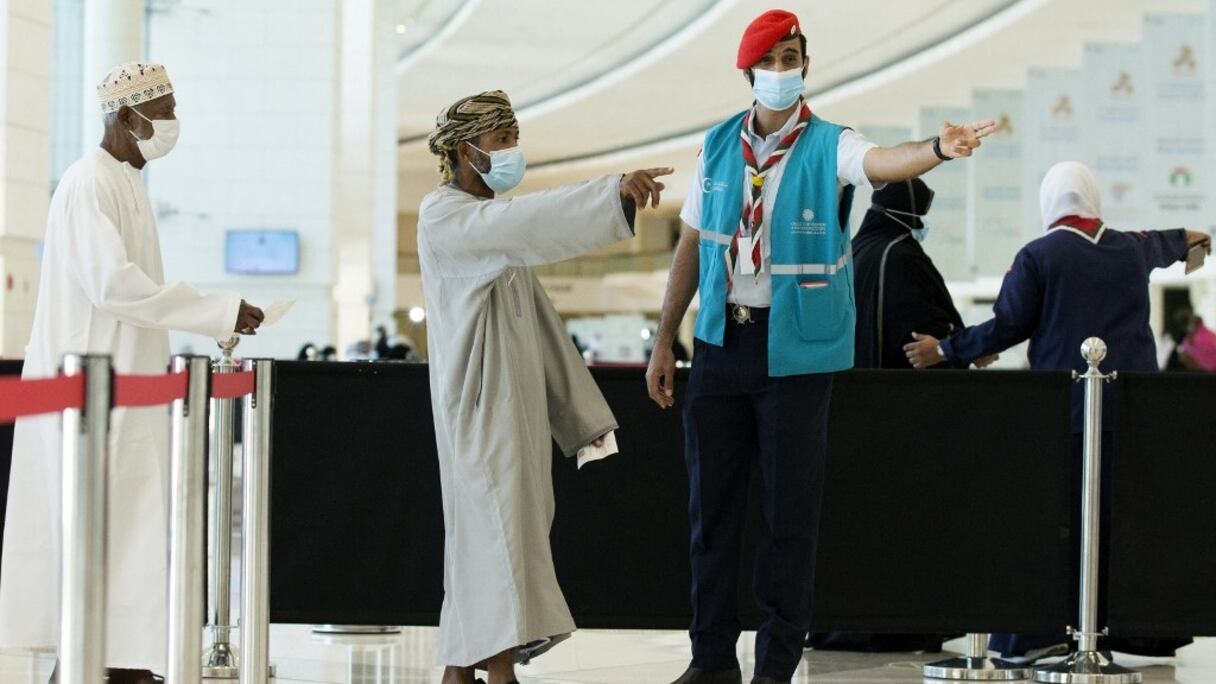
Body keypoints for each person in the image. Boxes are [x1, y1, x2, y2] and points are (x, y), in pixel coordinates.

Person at [643, 10, 996, 684]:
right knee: (709, 516)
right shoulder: (718, 145)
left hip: (797, 354)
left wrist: (938, 149)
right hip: (720, 345)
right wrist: (665, 338)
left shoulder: (830, 142)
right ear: (749, 70)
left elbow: (880, 162)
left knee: (788, 520)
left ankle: (775, 666)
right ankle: (710, 660)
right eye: (772, 59)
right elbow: (692, 242)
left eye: (794, 56)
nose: (784, 71)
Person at [0, 63, 265, 684]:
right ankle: (100, 667)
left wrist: (215, 314)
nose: (172, 124)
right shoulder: (88, 182)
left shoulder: (124, 183)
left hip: (131, 394)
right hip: (95, 400)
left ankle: (128, 663)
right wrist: (218, 310)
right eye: (164, 111)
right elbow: (114, 287)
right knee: (102, 540)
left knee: (134, 537)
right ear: (127, 117)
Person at [904, 160, 1211, 661]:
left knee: (1053, 525)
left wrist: (948, 350)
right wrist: (1193, 243)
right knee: (1115, 524)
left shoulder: (1039, 256)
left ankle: (1035, 635)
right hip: (1131, 413)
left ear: (1050, 203)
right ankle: (1110, 632)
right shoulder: (1132, 246)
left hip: (1065, 416)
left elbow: (1008, 325)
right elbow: (1184, 238)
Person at [420, 89, 672, 684]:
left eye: (513, 139)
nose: (513, 152)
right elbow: (525, 220)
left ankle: (459, 670)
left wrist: (579, 416)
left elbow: (544, 330)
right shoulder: (446, 215)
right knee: (496, 537)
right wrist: (608, 194)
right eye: (501, 141)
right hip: (480, 411)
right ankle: (499, 670)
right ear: (465, 150)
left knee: (494, 535)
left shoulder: (496, 237)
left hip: (518, 412)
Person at [853, 178, 995, 370]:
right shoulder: (899, 257)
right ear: (905, 215)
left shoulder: (856, 249)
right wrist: (965, 346)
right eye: (917, 216)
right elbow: (918, 326)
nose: (920, 224)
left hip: (854, 382)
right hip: (899, 387)